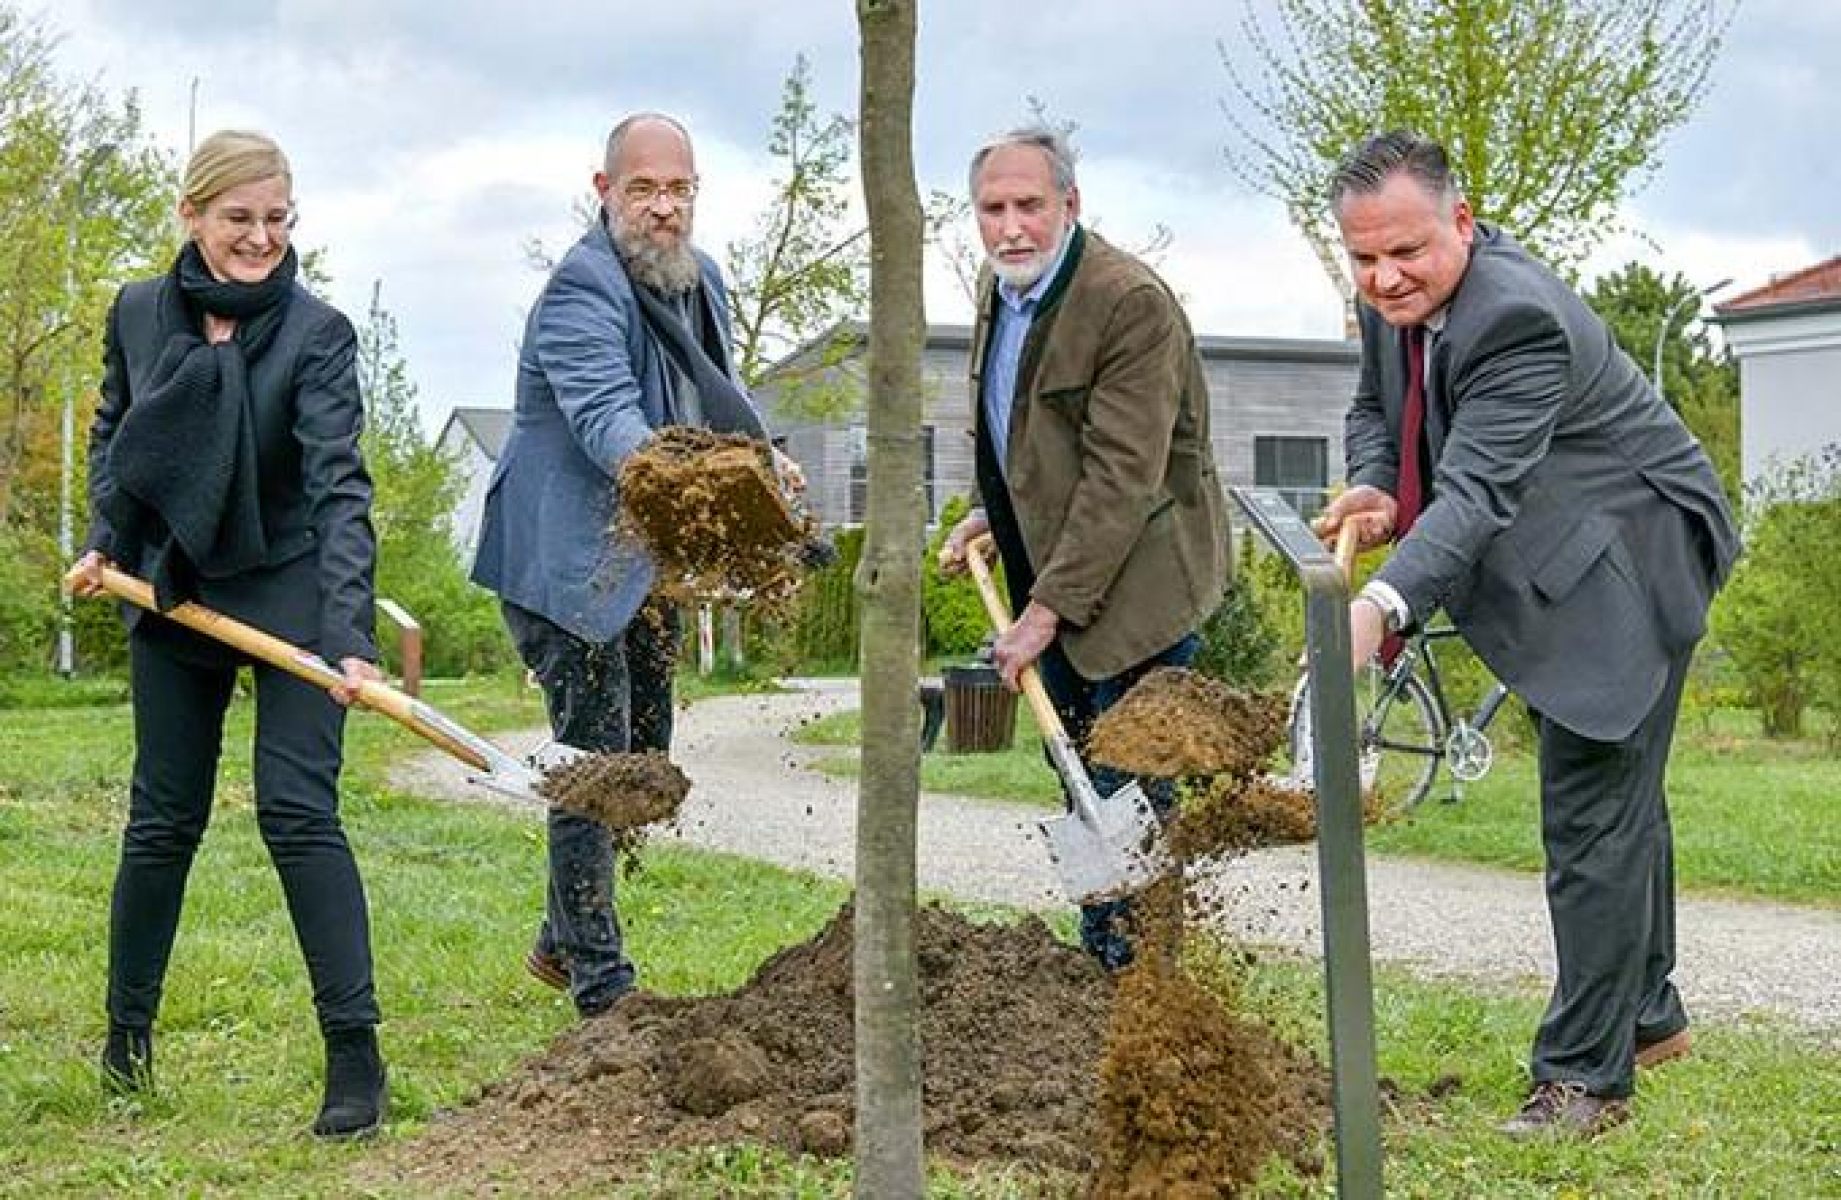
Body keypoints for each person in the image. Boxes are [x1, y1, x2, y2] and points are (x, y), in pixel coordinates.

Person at [1315, 131, 1739, 1138]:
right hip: (1560, 546)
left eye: (1404, 254)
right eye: (1363, 258)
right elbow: (1377, 407)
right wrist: (1374, 477)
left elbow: (1473, 495)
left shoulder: (1514, 318)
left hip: (1631, 559)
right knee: (1618, 793)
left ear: (1460, 223)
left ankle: (1583, 1082)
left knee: (1590, 814)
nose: (1382, 277)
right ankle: (1645, 1016)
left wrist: (1377, 606)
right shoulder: (1396, 300)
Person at [70, 129, 388, 1138]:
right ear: (192, 215)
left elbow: (340, 488)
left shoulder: (316, 334)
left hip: (287, 583)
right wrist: (100, 540)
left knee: (299, 813)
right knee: (162, 819)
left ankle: (355, 1060)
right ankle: (126, 1041)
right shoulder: (136, 311)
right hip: (172, 584)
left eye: (277, 219)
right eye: (239, 218)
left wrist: (348, 633)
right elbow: (118, 435)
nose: (260, 238)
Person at [471, 113, 779, 1017]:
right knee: (596, 766)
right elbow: (610, 420)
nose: (662, 208)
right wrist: (693, 489)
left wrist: (765, 462)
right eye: (642, 189)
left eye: (678, 190)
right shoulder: (579, 288)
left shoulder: (700, 280)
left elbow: (718, 397)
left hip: (642, 567)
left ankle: (559, 934)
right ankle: (602, 991)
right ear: (604, 192)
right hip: (565, 565)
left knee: (649, 755)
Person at [939, 126, 1229, 970]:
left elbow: (1121, 477)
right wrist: (988, 513)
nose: (1010, 226)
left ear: (1070, 204)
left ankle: (1145, 984)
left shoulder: (1126, 302)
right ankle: (1105, 961)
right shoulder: (1003, 293)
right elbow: (1025, 432)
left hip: (1140, 590)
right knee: (1074, 777)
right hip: (1056, 572)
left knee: (1126, 780)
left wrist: (1042, 614)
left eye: (1029, 205)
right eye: (992, 209)